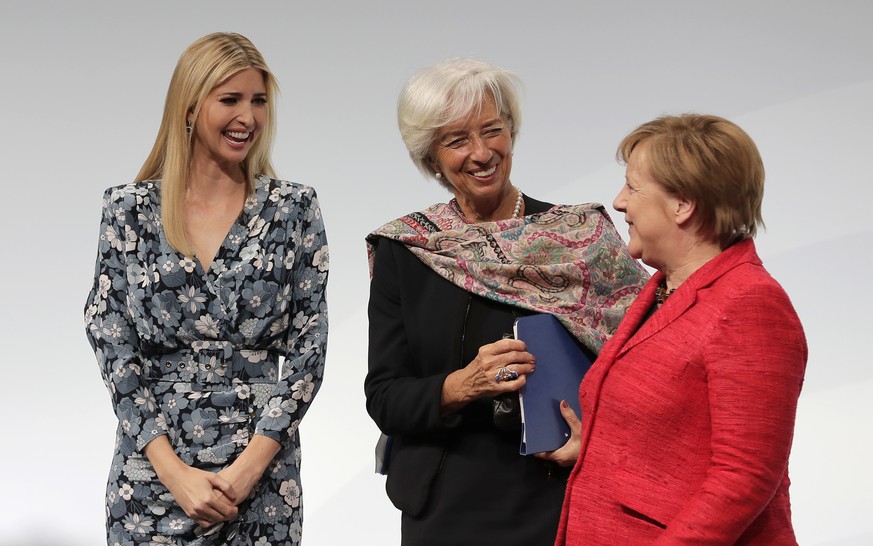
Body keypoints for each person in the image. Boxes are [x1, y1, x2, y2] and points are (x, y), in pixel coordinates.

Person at [364, 58, 648, 546]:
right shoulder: (407, 249)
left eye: (492, 131)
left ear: (511, 132)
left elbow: (645, 372)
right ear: (431, 157)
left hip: (560, 491)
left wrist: (598, 445)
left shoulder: (580, 239)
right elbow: (385, 397)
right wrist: (461, 385)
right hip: (445, 505)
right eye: (457, 140)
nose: (481, 153)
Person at [84, 32, 328, 546]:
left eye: (259, 101)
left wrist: (249, 468)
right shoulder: (128, 210)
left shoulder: (293, 208)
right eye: (230, 100)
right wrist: (171, 469)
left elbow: (310, 347)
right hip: (152, 480)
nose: (248, 117)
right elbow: (112, 343)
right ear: (190, 108)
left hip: (262, 477)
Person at [555, 114, 808, 545]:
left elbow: (744, 477)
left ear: (682, 204)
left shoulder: (750, 303)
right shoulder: (659, 290)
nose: (619, 202)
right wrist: (597, 447)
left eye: (633, 187)